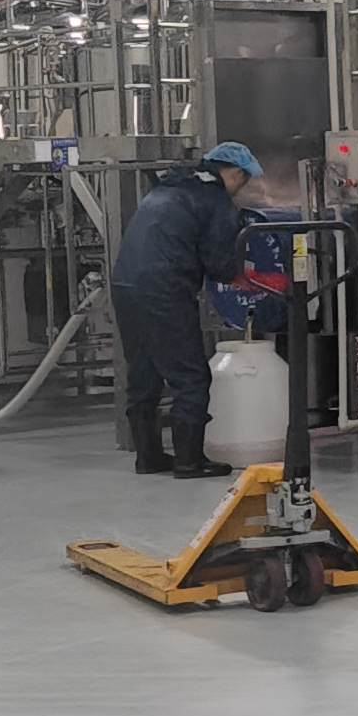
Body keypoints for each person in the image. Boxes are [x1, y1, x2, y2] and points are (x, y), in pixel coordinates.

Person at [111, 142, 257, 477]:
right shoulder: (214, 199)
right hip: (165, 289)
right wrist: (244, 275)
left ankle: (148, 457)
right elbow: (220, 263)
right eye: (244, 181)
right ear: (236, 173)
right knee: (191, 376)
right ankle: (189, 461)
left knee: (144, 371)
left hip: (126, 285)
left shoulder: (169, 187)